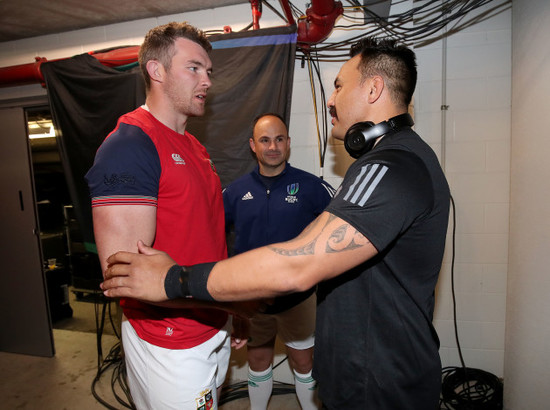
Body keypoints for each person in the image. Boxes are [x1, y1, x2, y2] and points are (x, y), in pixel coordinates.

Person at [101, 36, 451, 409]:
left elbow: (297, 263)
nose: (331, 100)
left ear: (374, 88)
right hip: (365, 374)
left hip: (381, 384)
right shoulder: (390, 162)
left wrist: (173, 279)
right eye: (194, 68)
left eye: (338, 86)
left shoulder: (391, 167)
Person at [85, 22, 250, 410]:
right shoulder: (130, 145)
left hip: (212, 323)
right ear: (155, 71)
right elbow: (125, 277)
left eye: (209, 71)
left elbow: (209, 240)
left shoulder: (194, 146)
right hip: (169, 340)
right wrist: (231, 303)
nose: (206, 80)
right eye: (194, 68)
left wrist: (228, 311)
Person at [223, 113, 334, 409]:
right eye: (265, 140)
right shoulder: (234, 192)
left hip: (298, 298)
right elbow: (210, 235)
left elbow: (338, 233)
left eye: (279, 139)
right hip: (252, 301)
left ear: (288, 143)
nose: (273, 146)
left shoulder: (311, 187)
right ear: (253, 146)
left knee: (304, 362)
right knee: (258, 361)